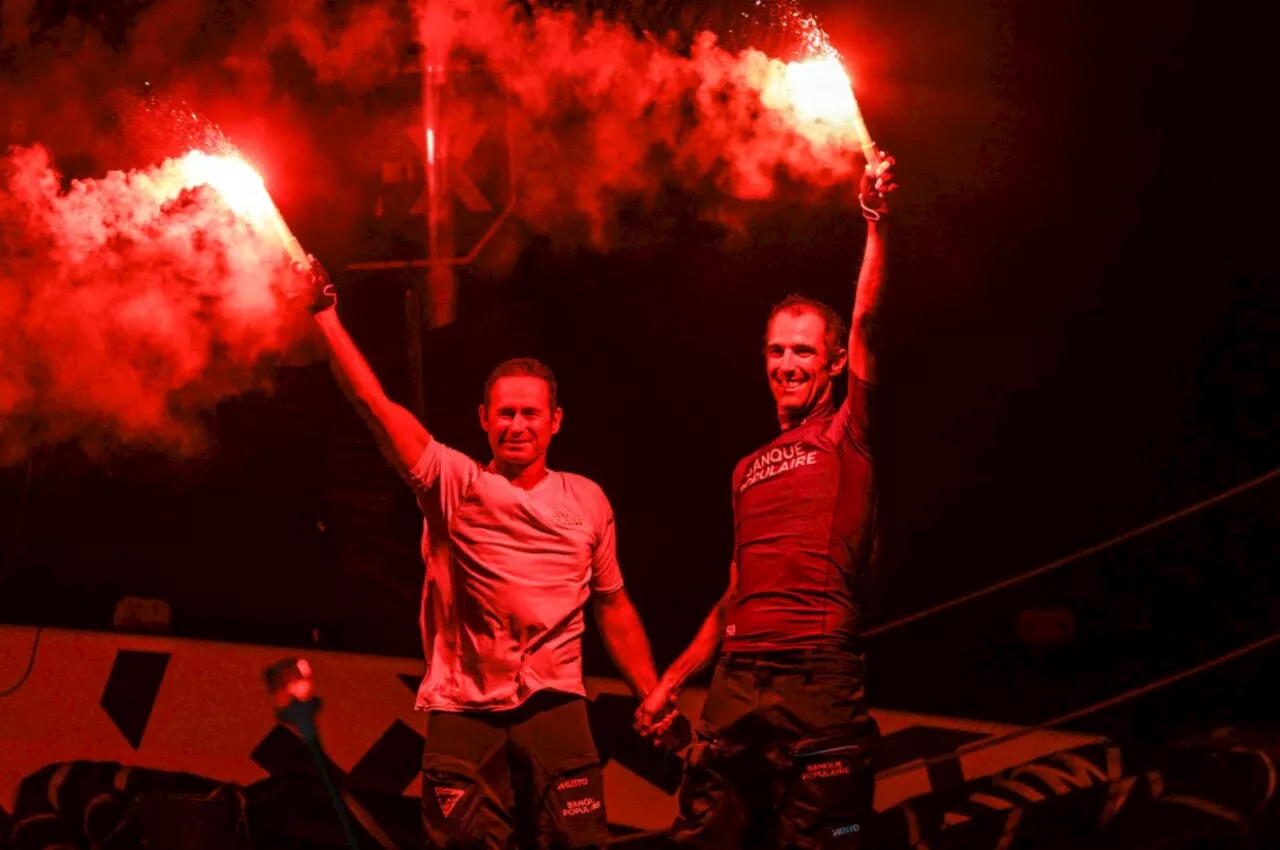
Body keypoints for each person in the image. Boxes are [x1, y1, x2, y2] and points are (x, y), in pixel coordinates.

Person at [306, 277, 661, 849]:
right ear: (483, 418)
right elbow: (373, 405)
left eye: (529, 414)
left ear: (555, 421)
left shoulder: (588, 499)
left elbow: (613, 606)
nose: (516, 425)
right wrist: (325, 318)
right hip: (464, 711)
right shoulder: (452, 483)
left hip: (557, 708)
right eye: (505, 414)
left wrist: (651, 693)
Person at [634, 153, 899, 848]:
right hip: (737, 681)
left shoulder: (849, 434)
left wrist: (873, 223)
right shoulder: (746, 468)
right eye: (778, 351)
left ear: (835, 363)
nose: (789, 365)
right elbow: (733, 593)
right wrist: (672, 680)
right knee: (705, 836)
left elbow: (869, 318)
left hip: (818, 678)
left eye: (806, 353)